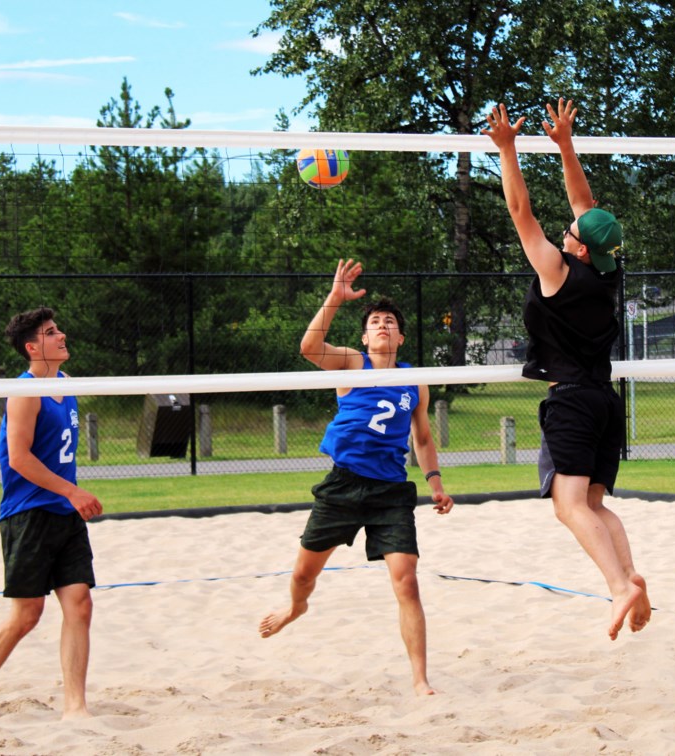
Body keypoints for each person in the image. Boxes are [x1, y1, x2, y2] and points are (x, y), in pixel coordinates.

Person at [482, 98, 651, 641]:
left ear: (577, 250)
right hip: (604, 400)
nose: (567, 228)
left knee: (569, 505)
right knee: (596, 503)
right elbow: (587, 206)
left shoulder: (557, 272)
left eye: (572, 232)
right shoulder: (606, 272)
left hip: (575, 401)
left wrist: (508, 149)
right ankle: (629, 579)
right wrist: (564, 145)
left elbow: (520, 214)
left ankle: (620, 587)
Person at [259, 259, 454, 695]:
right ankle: (295, 608)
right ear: (365, 337)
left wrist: (436, 485)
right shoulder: (352, 363)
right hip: (343, 484)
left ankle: (420, 680)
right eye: (374, 322)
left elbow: (421, 438)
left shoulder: (415, 381)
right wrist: (335, 296)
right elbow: (310, 348)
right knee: (304, 576)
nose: (382, 325)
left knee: (407, 580)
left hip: (390, 492)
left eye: (389, 322)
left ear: (401, 337)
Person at [0, 307, 103, 720]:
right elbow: (20, 459)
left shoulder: (66, 384)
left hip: (65, 513)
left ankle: (75, 706)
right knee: (27, 615)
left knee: (79, 604)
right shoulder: (23, 392)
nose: (61, 336)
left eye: (58, 329)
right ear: (32, 347)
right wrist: (72, 491)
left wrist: (70, 497)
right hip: (28, 513)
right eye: (50, 332)